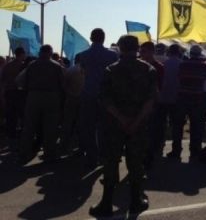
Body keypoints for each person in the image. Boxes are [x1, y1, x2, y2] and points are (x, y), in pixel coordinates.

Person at [89, 35, 156, 217]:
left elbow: (104, 99)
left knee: (111, 162)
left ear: (120, 47)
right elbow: (150, 101)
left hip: (114, 124)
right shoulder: (148, 69)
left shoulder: (111, 70)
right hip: (138, 125)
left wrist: (121, 118)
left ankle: (106, 203)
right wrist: (136, 121)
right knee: (135, 163)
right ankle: (135, 201)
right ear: (137, 48)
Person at [79, 28, 118, 169]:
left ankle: (91, 157)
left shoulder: (83, 55)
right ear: (103, 38)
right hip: (106, 95)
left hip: (88, 93)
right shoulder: (112, 55)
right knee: (105, 128)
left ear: (91, 38)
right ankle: (104, 156)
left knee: (88, 127)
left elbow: (83, 72)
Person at [19, 45, 65, 163]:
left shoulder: (32, 65)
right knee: (50, 127)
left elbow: (20, 81)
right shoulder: (57, 66)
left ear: (40, 52)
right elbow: (63, 84)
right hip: (51, 97)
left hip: (33, 96)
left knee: (29, 126)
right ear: (50, 53)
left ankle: (24, 152)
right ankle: (49, 153)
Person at [171, 45, 206, 160]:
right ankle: (195, 152)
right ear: (200, 54)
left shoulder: (183, 64)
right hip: (197, 98)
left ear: (190, 53)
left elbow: (179, 77)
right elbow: (204, 78)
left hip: (182, 97)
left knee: (178, 126)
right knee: (195, 126)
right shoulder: (204, 66)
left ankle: (176, 151)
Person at [148, 44, 181, 163]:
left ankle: (158, 145)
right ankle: (176, 149)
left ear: (169, 51)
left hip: (162, 98)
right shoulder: (182, 64)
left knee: (160, 124)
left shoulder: (163, 63)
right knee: (176, 126)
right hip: (176, 98)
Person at [0, 47, 27, 149]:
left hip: (9, 93)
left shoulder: (7, 66)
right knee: (22, 117)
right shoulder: (23, 66)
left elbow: (3, 81)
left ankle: (11, 138)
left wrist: (2, 94)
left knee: (11, 117)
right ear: (21, 54)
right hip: (20, 94)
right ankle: (21, 139)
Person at [59, 53, 85, 154]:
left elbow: (64, 85)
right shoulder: (85, 70)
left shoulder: (70, 70)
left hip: (71, 98)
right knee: (81, 123)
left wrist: (68, 93)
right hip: (82, 99)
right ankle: (78, 144)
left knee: (67, 122)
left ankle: (63, 144)